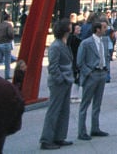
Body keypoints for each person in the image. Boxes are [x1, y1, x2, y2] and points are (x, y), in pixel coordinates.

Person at [40, 20, 75, 150]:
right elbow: (53, 67)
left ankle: (59, 136)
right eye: (69, 25)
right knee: (54, 111)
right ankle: (46, 139)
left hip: (66, 81)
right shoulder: (56, 46)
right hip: (59, 83)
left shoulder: (64, 44)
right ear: (65, 29)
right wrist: (61, 79)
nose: (72, 26)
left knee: (64, 110)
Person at [75, 20, 110, 141]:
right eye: (104, 27)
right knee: (85, 103)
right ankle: (82, 131)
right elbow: (79, 61)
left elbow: (106, 56)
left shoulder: (104, 41)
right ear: (97, 29)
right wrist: (88, 72)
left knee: (97, 103)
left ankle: (95, 128)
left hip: (101, 73)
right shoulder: (86, 43)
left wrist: (106, 70)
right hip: (92, 74)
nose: (106, 29)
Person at [0, 11, 15, 80]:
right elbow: (10, 34)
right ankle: (7, 75)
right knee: (7, 61)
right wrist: (11, 38)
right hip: (6, 44)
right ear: (8, 18)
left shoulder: (0, 25)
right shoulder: (9, 25)